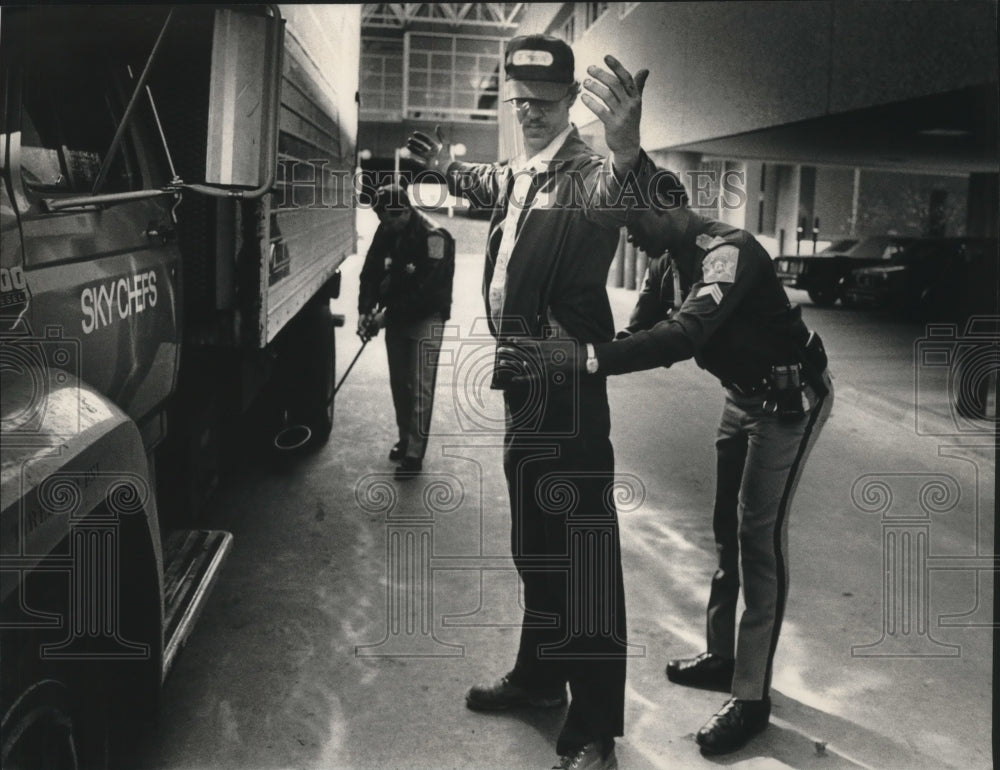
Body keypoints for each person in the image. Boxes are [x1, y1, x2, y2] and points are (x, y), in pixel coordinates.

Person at [503, 169, 834, 757]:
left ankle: (751, 697)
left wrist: (577, 360)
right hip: (742, 396)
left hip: (788, 403)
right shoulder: (667, 262)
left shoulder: (728, 253)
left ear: (671, 207)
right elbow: (637, 337)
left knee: (759, 539)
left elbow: (681, 336)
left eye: (634, 223)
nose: (629, 237)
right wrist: (569, 355)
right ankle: (723, 657)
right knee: (725, 531)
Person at [407, 34, 655, 770]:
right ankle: (543, 677)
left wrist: (630, 152)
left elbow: (628, 202)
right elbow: (499, 186)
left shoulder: (587, 172)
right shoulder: (528, 169)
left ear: (569, 102)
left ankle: (596, 730)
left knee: (580, 560)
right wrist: (447, 172)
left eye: (544, 106)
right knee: (536, 549)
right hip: (525, 388)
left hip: (569, 392)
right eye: (520, 104)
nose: (531, 115)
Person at [357, 183, 454, 480]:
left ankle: (415, 453)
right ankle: (404, 437)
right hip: (395, 316)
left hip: (427, 317)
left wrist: (385, 318)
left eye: (387, 218)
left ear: (402, 212)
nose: (383, 225)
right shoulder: (387, 229)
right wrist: (366, 309)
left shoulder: (434, 236)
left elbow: (428, 291)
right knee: (400, 383)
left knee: (421, 387)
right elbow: (371, 270)